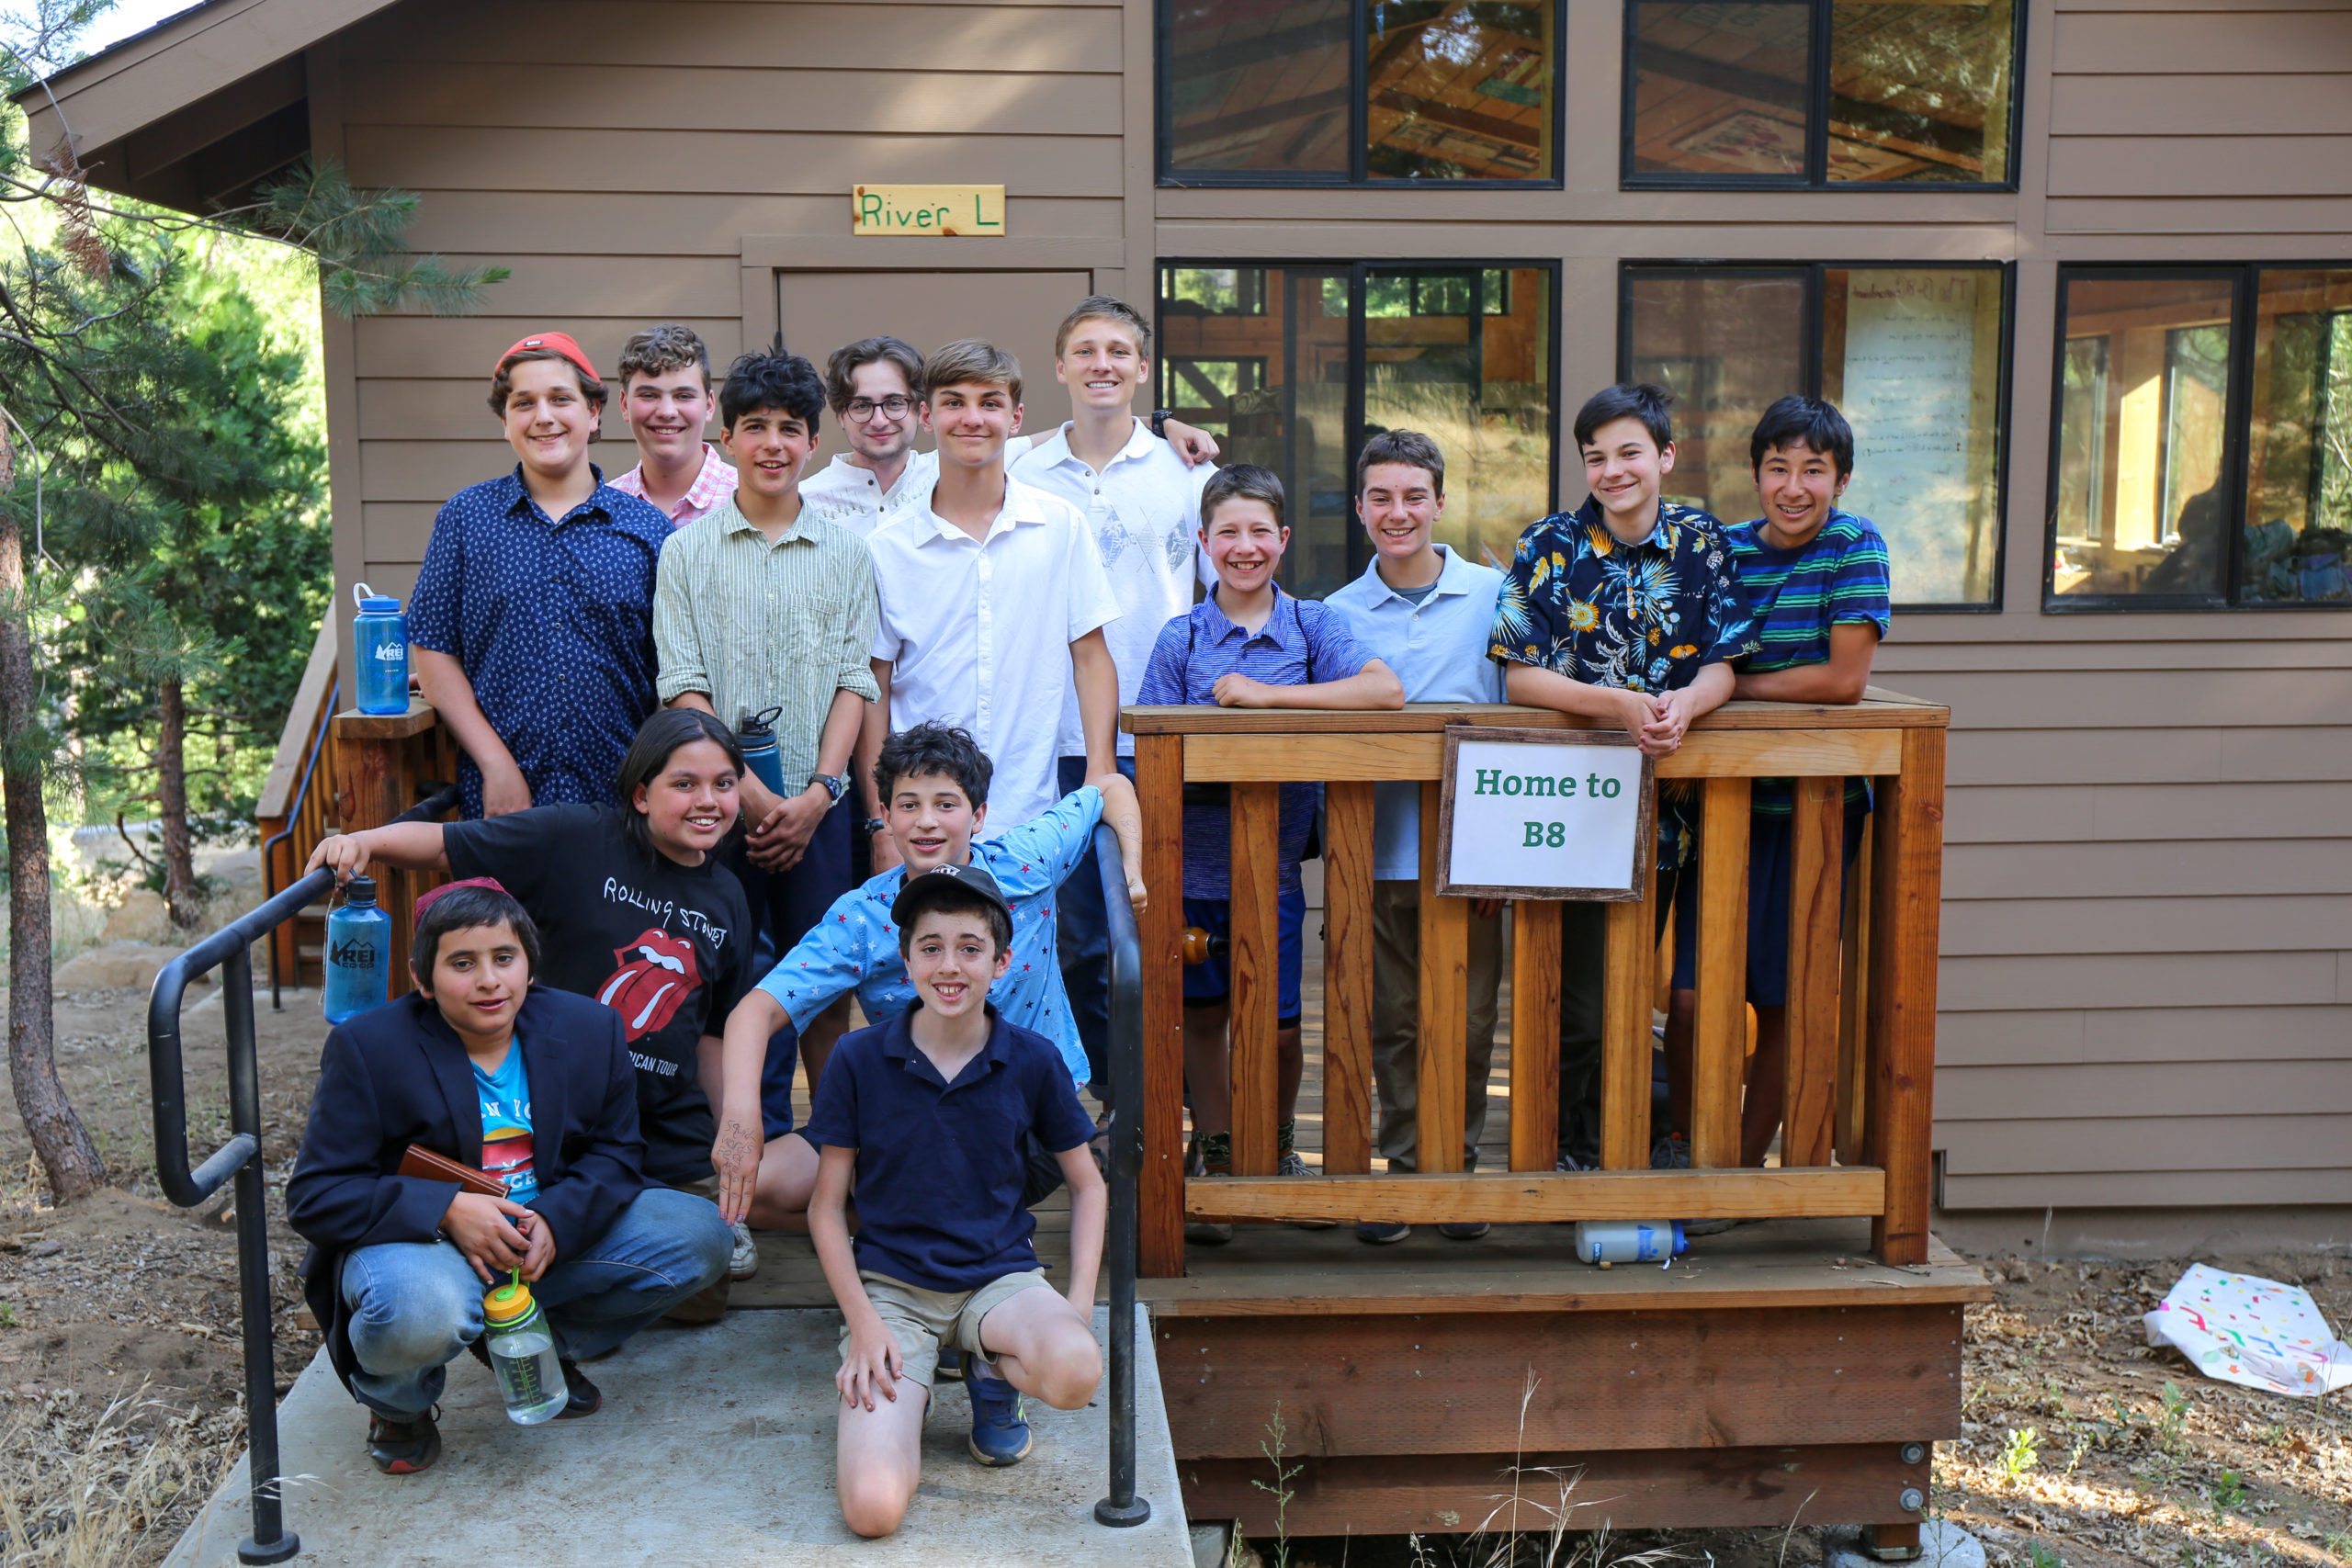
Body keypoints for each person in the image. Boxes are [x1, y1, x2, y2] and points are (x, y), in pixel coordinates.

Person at [306, 708, 760, 1297]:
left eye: (724, 784)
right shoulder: (578, 836)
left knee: (702, 1276)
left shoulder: (729, 897)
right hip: (563, 1117)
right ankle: (512, 1302)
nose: (708, 801)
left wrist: (729, 1135)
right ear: (642, 795)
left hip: (663, 1127)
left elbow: (714, 1030)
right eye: (685, 783)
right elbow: (448, 845)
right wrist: (364, 842)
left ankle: (542, 1304)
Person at [287, 882, 732, 1476]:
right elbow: (315, 1195)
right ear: (422, 978)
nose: (489, 980)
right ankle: (398, 1403)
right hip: (424, 1246)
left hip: (534, 1237)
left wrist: (558, 1218)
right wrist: (448, 1208)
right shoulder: (369, 1047)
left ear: (529, 964)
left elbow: (616, 1150)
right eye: (462, 963)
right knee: (418, 1310)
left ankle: (528, 1341)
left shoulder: (590, 1028)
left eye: (504, 957)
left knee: (702, 1234)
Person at [707, 721, 1144, 1235]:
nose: (927, 822)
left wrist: (1132, 874)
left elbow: (1109, 787)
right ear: (886, 815)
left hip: (1030, 1118)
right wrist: (740, 1117)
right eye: (909, 805)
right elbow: (756, 1010)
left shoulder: (1026, 862)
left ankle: (947, 1225)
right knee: (753, 1190)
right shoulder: (862, 916)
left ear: (978, 816)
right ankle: (911, 1229)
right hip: (911, 1115)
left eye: (946, 804)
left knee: (955, 1171)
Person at [1487, 383, 1758, 1174]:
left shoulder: (1705, 542)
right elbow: (1519, 675)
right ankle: (1566, 1150)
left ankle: (1635, 1145)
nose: (1613, 470)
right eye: (1596, 456)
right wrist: (1618, 705)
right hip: (1573, 810)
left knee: (1652, 989)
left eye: (1629, 452)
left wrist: (1687, 705)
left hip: (1677, 810)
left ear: (1665, 456)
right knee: (1579, 999)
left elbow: (1726, 661)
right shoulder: (1549, 544)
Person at [1136, 464, 1404, 1243]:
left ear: (1283, 539)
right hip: (1192, 872)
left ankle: (1277, 1148)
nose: (1244, 547)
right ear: (1203, 541)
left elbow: (1383, 691)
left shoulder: (1311, 625)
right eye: (1228, 533)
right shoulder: (1182, 636)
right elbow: (1149, 744)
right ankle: (1220, 1153)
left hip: (1276, 873)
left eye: (1260, 531)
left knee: (1281, 1024)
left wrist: (1269, 696)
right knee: (1204, 1017)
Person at [806, 865, 1104, 1535]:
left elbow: (1089, 1184)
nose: (949, 965)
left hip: (999, 1280)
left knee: (1076, 1371)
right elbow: (825, 1207)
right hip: (893, 1293)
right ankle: (907, 1402)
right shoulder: (857, 1059)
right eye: (931, 946)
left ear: (1001, 962)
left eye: (970, 948)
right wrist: (864, 1324)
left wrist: (1079, 1304)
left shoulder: (1032, 1059)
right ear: (905, 956)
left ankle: (989, 1371)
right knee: (874, 1509)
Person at [1660, 395, 1889, 1169]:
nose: (1794, 487)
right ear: (1755, 474)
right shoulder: (1722, 548)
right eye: (1777, 468)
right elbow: (1684, 653)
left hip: (1814, 811)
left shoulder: (1855, 546)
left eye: (1813, 471)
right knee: (1692, 992)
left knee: (1785, 993)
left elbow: (1844, 679)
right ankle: (1689, 1147)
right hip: (1720, 804)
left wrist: (1731, 686)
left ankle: (1741, 1162)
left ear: (1841, 480)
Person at [654, 349, 877, 1134]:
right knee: (725, 976)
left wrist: (819, 792)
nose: (773, 443)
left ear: (813, 440)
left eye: (790, 428)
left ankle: (835, 1151)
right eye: (755, 426)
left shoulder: (846, 553)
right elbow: (682, 680)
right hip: (716, 810)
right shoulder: (686, 552)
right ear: (727, 437)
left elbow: (855, 679)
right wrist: (742, 791)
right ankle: (749, 1142)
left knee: (823, 980)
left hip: (819, 809)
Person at [1008, 295, 1216, 1101]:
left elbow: (1224, 595)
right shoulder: (1019, 471)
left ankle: (1166, 1109)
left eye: (1119, 351)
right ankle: (1107, 1106)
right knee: (1076, 941)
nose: (1102, 365)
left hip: (1159, 737)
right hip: (1052, 737)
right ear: (1060, 367)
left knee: (1164, 935)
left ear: (1143, 369)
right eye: (1086, 351)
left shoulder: (1189, 473)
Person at [1324, 430, 1507, 1245]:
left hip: (1473, 853)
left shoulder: (1494, 595)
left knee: (1467, 1020)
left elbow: (1514, 718)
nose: (1397, 513)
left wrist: (1505, 859)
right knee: (1392, 1018)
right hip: (1376, 850)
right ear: (1360, 508)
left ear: (1438, 502)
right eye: (1381, 498)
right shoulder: (1335, 613)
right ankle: (1403, 1171)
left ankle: (1455, 1170)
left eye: (1413, 496)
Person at [859, 339, 1122, 859]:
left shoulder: (1061, 527)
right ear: (927, 416)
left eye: (990, 402)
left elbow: (1092, 658)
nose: (972, 418)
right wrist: (880, 824)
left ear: (1016, 417)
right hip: (921, 824)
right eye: (954, 402)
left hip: (1032, 817)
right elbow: (874, 686)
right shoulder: (885, 547)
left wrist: (1099, 772)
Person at [409, 332, 671, 818]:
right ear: (504, 421)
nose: (543, 416)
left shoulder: (647, 529)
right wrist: (495, 765)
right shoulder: (466, 519)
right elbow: (433, 651)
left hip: (621, 804)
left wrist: (654, 777)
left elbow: (672, 670)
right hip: (504, 804)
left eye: (560, 399)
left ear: (594, 412)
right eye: (524, 403)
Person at [801, 334, 1221, 542]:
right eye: (861, 405)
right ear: (840, 412)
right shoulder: (807, 501)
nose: (879, 420)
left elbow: (1074, 432)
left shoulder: (949, 471)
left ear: (918, 409)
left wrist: (1160, 423)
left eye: (895, 403)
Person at [609, 322, 739, 527]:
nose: (667, 412)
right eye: (649, 395)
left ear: (709, 405)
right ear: (625, 405)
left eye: (684, 396)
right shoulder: (604, 510)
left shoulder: (747, 502)